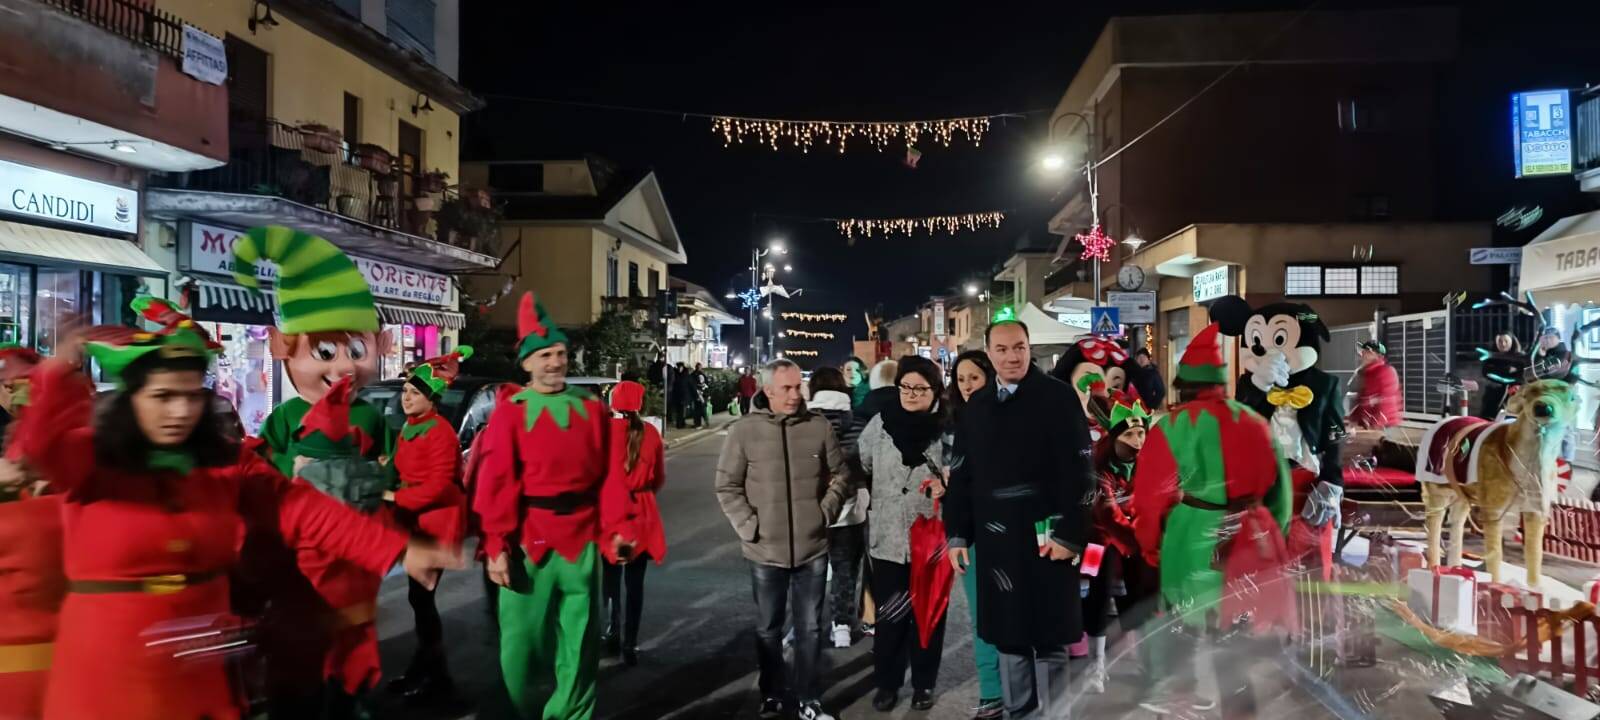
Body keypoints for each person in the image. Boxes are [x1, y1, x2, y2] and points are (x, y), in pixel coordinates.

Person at [0, 304, 458, 720]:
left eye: (191, 395)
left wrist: (395, 549)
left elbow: (301, 509)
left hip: (200, 673)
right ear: (131, 398)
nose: (180, 411)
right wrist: (57, 370)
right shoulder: (94, 460)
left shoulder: (226, 461)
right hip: (107, 674)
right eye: (162, 397)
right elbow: (42, 446)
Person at [230, 227, 400, 717]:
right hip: (303, 551)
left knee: (355, 628)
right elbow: (265, 468)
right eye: (326, 352)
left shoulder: (369, 416)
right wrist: (294, 465)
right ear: (288, 348)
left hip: (358, 545)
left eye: (356, 350)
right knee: (309, 627)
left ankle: (353, 692)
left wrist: (383, 479)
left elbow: (391, 468)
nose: (343, 365)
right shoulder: (285, 417)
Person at [1132, 322, 1294, 717]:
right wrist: (1271, 535)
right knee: (1236, 639)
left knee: (1184, 630)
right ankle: (1239, 707)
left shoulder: (1169, 426)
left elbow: (1151, 499)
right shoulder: (1255, 421)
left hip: (1193, 540)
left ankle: (1180, 700)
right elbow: (1282, 494)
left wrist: (1151, 547)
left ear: (1183, 383)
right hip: (1253, 538)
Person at [475, 291, 623, 720]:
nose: (555, 362)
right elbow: (496, 482)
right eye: (544, 355)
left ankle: (571, 715)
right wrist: (497, 544)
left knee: (581, 646)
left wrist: (617, 528)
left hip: (582, 540)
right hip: (528, 542)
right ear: (526, 363)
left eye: (560, 353)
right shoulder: (510, 413)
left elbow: (610, 476)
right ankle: (528, 710)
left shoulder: (591, 409)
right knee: (521, 647)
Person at [944, 320, 1094, 719]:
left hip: (1048, 537)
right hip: (996, 543)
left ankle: (1057, 713)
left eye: (1020, 347)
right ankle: (1018, 712)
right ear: (989, 353)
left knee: (1049, 637)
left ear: (1030, 349)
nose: (1013, 356)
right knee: (1008, 638)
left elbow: (1082, 471)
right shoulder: (976, 406)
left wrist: (1070, 533)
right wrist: (957, 533)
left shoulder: (1058, 398)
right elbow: (961, 473)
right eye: (1004, 348)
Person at [715, 359, 852, 720]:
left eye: (798, 387)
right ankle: (772, 692)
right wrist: (749, 527)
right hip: (765, 549)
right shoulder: (743, 431)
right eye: (787, 389)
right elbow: (727, 485)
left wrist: (824, 514)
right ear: (768, 391)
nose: (795, 395)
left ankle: (809, 698)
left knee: (809, 627)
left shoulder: (818, 426)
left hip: (813, 548)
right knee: (768, 628)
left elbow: (840, 475)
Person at [857, 356, 950, 711]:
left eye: (920, 388)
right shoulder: (880, 425)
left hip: (931, 538)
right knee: (890, 614)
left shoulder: (948, 429)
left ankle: (924, 684)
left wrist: (947, 486)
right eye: (905, 387)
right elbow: (863, 464)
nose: (911, 394)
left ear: (935, 391)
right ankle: (888, 683)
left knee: (929, 614)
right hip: (889, 538)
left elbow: (963, 472)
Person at [385, 348, 472, 704]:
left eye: (414, 393)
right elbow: (399, 467)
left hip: (437, 523)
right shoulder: (411, 427)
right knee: (419, 600)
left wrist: (395, 498)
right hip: (418, 521)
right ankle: (427, 673)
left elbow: (437, 486)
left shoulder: (440, 432)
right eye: (405, 391)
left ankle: (436, 678)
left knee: (422, 601)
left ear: (430, 398)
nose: (406, 398)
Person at [941, 350, 1004, 719]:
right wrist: (957, 535)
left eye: (974, 378)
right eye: (961, 379)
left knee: (1013, 612)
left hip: (1010, 530)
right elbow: (956, 489)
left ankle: (1017, 690)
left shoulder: (1009, 419)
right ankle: (991, 694)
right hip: (973, 533)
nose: (967, 386)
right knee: (981, 616)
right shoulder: (951, 425)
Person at [1081, 395, 1158, 694]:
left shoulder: (1148, 461)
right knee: (1096, 601)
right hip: (1096, 541)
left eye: (1140, 433)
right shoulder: (1096, 465)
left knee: (1139, 598)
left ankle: (1146, 661)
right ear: (1113, 436)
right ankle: (1095, 666)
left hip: (1133, 537)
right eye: (1128, 434)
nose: (1137, 440)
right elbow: (1108, 516)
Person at [599, 380, 667, 668]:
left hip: (608, 509)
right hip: (641, 511)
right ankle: (631, 642)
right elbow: (659, 478)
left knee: (610, 580)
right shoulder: (650, 433)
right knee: (635, 584)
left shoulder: (601, 432)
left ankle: (611, 633)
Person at [807, 367, 868, 649]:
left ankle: (806, 624)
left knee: (809, 569)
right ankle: (841, 625)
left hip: (810, 507)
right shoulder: (858, 422)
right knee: (845, 568)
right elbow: (865, 461)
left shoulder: (804, 422)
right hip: (850, 505)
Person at [1346, 340, 1402, 430]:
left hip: (1385, 425)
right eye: (1363, 352)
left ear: (1378, 356)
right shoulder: (1366, 373)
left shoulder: (1387, 371)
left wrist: (1375, 422)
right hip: (1368, 424)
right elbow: (1362, 399)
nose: (1363, 355)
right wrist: (1354, 418)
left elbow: (1387, 399)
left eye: (1368, 352)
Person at [1479, 333, 1526, 419]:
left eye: (1506, 341)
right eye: (1500, 341)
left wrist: (1499, 372)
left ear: (1512, 342)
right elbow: (1486, 372)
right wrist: (1508, 370)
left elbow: (1522, 375)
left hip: (1513, 395)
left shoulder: (1521, 357)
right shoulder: (1491, 356)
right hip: (1493, 395)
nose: (1503, 344)